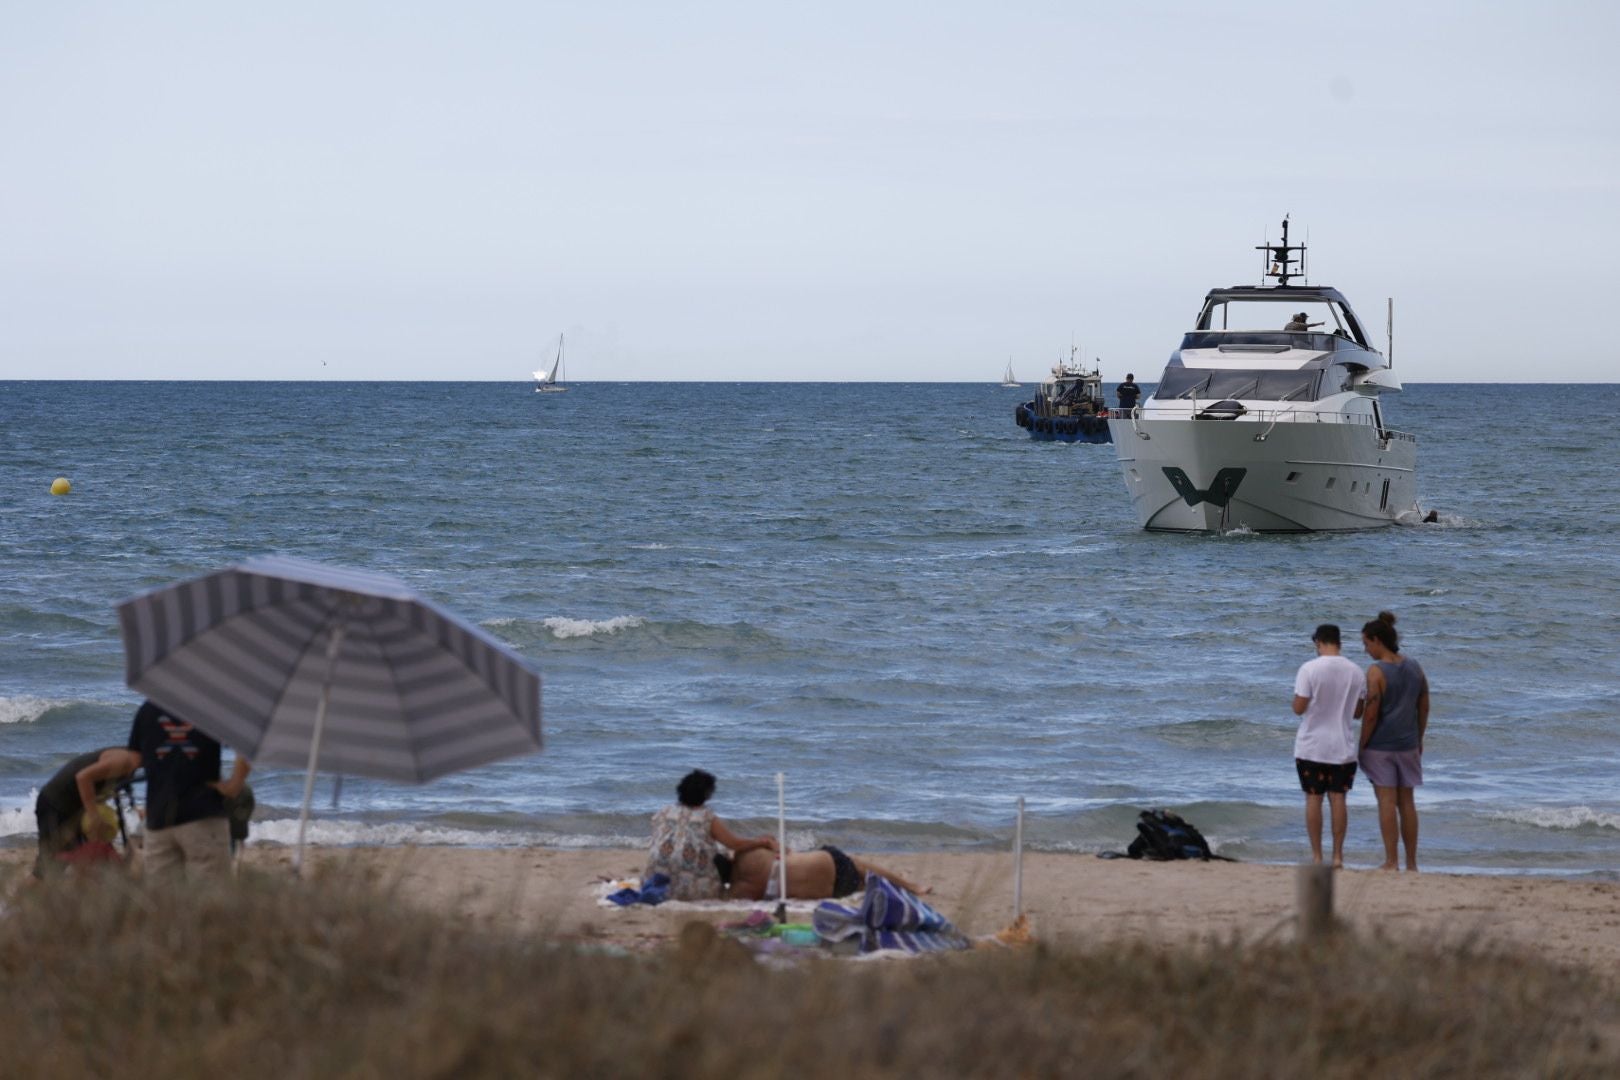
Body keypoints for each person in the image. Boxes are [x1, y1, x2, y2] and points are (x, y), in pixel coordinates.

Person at [126, 699, 251, 879]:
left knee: (163, 903)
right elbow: (246, 743)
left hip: (158, 819)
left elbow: (133, 761)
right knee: (210, 902)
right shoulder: (211, 707)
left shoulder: (148, 709)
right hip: (203, 816)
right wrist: (235, 784)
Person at [1358, 612, 1430, 871]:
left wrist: (1361, 745)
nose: (1366, 650)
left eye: (1366, 644)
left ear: (1377, 640)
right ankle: (1412, 863)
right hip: (1409, 745)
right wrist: (1419, 738)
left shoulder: (1376, 672)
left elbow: (1371, 715)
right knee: (1408, 803)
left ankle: (1391, 860)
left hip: (1381, 746)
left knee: (1386, 802)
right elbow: (1424, 706)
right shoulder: (1415, 666)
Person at [1291, 624, 1366, 869]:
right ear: (1339, 642)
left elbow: (1299, 707)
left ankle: (1317, 856)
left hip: (1312, 745)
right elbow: (1357, 713)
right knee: (1338, 799)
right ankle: (1338, 857)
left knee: (1313, 799)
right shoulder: (1356, 672)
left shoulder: (1309, 669)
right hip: (1343, 746)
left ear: (1319, 643)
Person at [644, 770, 778, 900]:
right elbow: (734, 844)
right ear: (707, 795)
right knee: (725, 860)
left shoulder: (664, 812)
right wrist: (763, 842)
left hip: (657, 877)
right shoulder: (706, 817)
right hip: (692, 884)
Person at [31, 746, 140, 879]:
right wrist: (94, 816)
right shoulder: (124, 760)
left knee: (91, 857)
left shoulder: (130, 764)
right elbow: (83, 777)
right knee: (47, 869)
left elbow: (107, 791)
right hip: (55, 805)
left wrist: (136, 810)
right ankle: (18, 898)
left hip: (76, 808)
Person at [729, 845, 929, 901]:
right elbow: (783, 849)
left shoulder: (741, 890)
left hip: (832, 891)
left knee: (860, 882)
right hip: (828, 863)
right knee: (859, 866)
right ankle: (911, 886)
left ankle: (900, 887)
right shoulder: (749, 853)